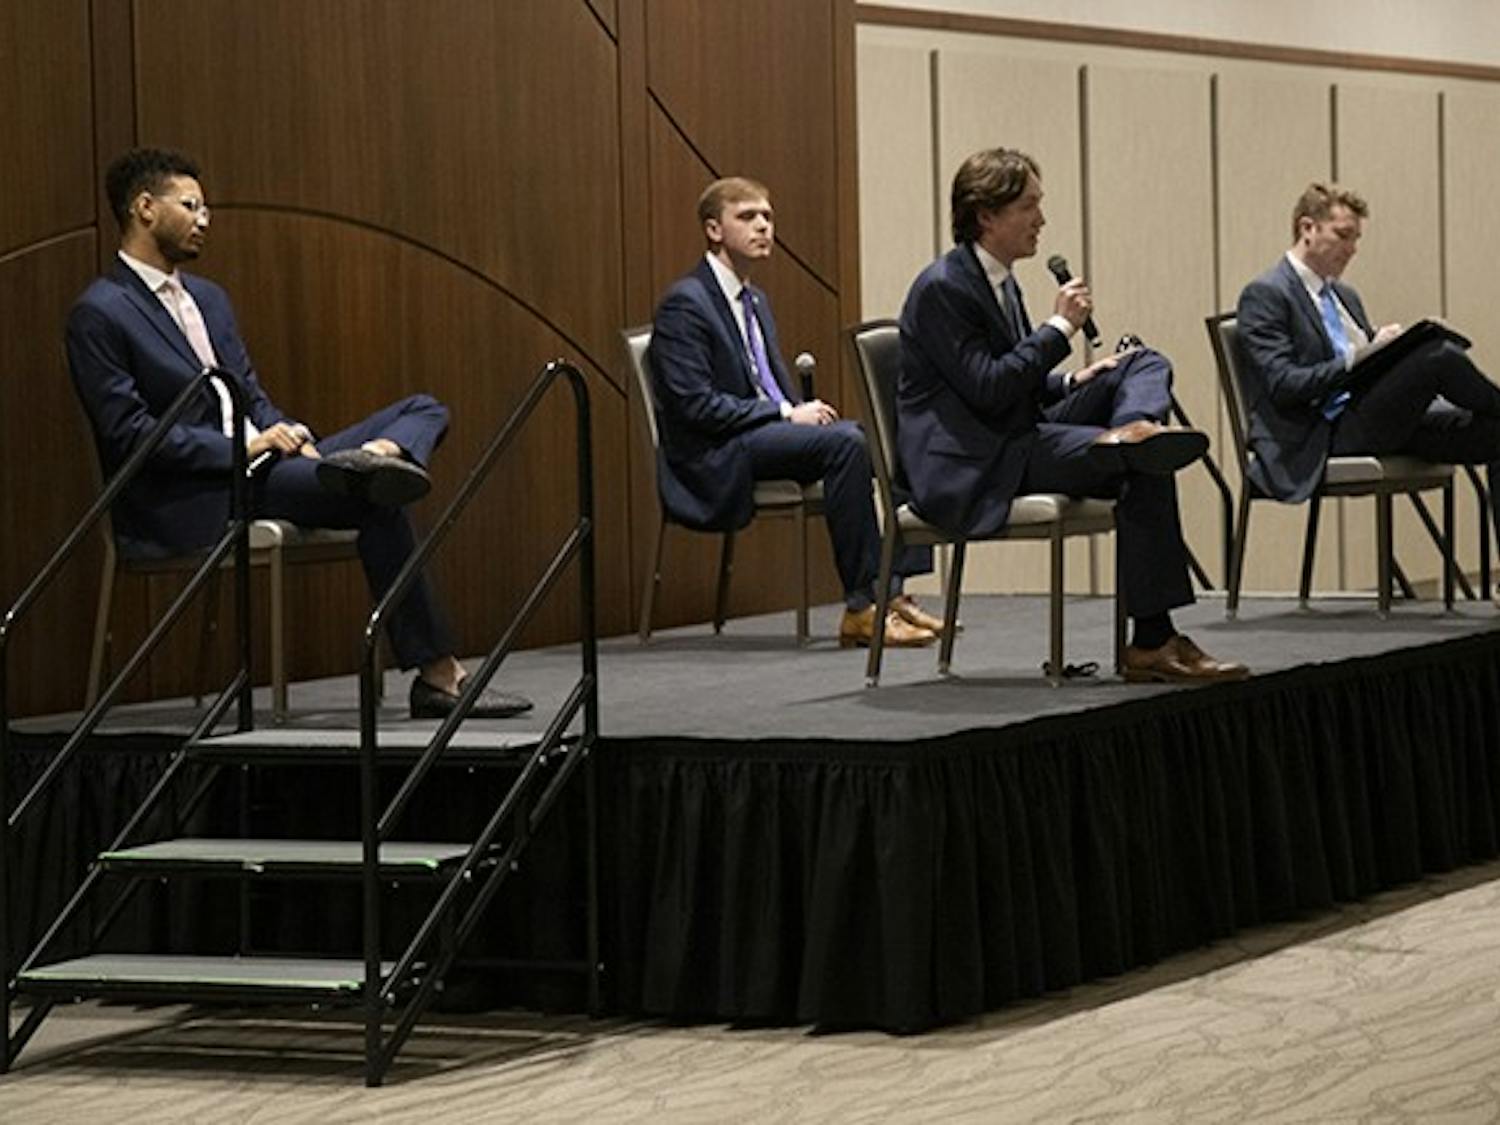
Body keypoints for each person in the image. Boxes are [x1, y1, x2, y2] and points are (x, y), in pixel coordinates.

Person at [66, 147, 531, 719]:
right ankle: (439, 676)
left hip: (269, 465)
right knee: (375, 498)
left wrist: (284, 430)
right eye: (190, 206)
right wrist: (245, 447)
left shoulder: (209, 298)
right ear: (144, 208)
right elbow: (131, 436)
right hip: (201, 492)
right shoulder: (100, 312)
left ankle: (374, 457)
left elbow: (250, 396)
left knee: (424, 407)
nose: (205, 219)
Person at [898, 147, 1247, 683]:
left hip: (1012, 430)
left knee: (1141, 362)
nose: (1041, 219)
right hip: (977, 458)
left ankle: (1136, 427)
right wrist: (1058, 329)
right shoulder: (944, 287)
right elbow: (988, 388)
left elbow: (1015, 380)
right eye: (1028, 207)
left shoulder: (999, 278)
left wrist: (1072, 381)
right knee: (1141, 464)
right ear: (986, 215)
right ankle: (1152, 641)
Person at [647, 176, 939, 647]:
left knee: (891, 437)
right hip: (715, 451)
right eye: (747, 217)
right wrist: (786, 414)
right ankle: (863, 608)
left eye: (767, 216)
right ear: (714, 229)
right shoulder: (686, 303)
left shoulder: (754, 300)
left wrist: (791, 411)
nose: (763, 226)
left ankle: (893, 590)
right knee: (847, 444)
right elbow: (695, 406)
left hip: (757, 435)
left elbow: (762, 382)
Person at [1236, 181, 1500, 529]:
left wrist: (1385, 349)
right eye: (1343, 235)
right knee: (1438, 356)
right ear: (1307, 228)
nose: (1352, 249)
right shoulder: (1266, 294)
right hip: (1323, 432)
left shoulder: (1344, 295)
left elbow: (1364, 366)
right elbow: (1284, 385)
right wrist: (1360, 356)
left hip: (1372, 418)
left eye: (1356, 239)